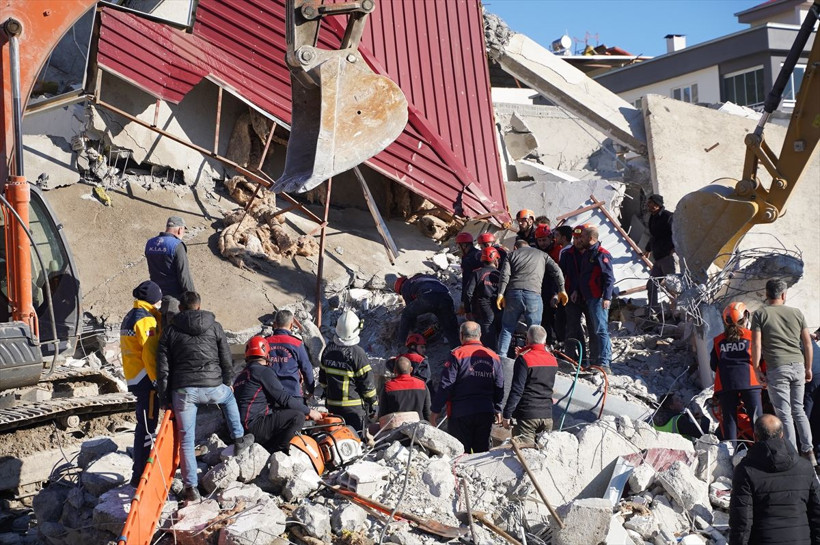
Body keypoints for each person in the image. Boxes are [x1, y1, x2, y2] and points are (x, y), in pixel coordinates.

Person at [156, 291, 253, 503]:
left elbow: (163, 369)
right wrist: (227, 381)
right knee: (228, 398)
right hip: (213, 386)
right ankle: (238, 438)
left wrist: (164, 399)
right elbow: (226, 358)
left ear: (180, 309)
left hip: (183, 392)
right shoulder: (214, 326)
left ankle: (191, 488)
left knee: (187, 440)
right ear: (199, 307)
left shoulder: (169, 331)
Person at [729, 414, 820, 545]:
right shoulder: (805, 467)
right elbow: (817, 512)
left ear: (755, 437)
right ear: (782, 434)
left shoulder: (745, 470)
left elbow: (742, 521)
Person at [751, 279, 815, 464]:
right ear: (784, 295)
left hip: (777, 368)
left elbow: (756, 343)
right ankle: (808, 451)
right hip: (798, 366)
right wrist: (808, 367)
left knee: (784, 413)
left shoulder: (760, 314)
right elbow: (807, 343)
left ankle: (792, 455)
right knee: (799, 410)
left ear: (766, 293)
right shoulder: (796, 313)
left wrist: (756, 368)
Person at [234, 337, 323, 453]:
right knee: (298, 417)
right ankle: (278, 451)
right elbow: (284, 399)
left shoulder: (241, 376)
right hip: (254, 427)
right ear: (266, 353)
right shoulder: (263, 372)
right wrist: (309, 411)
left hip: (240, 429)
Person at [430, 321, 504, 453]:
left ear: (461, 335)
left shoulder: (457, 354)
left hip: (460, 413)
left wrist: (435, 410)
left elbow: (446, 385)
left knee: (459, 453)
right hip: (485, 412)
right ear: (480, 335)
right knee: (481, 453)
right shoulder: (493, 356)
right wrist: (498, 408)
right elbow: (499, 385)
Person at [120, 280, 163, 488]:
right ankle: (140, 475)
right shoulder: (145, 319)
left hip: (135, 375)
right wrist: (158, 381)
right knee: (147, 426)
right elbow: (150, 353)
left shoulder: (132, 314)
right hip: (146, 378)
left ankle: (139, 472)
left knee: (144, 424)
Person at [496, 240, 567, 360]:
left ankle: (501, 358)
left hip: (513, 294)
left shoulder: (512, 255)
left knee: (507, 328)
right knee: (534, 331)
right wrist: (562, 289)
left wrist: (501, 293)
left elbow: (504, 275)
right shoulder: (542, 254)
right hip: (533, 295)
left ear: (515, 247)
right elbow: (557, 271)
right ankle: (533, 359)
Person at [710, 302, 762, 444]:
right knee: (757, 418)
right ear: (745, 316)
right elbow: (762, 360)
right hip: (750, 381)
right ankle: (761, 449)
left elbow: (713, 365)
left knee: (729, 419)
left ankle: (730, 452)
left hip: (726, 384)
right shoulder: (752, 336)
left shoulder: (718, 340)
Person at [319, 309, 379, 433]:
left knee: (335, 439)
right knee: (354, 442)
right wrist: (373, 404)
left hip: (332, 406)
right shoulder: (357, 353)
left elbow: (323, 380)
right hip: (353, 409)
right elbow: (367, 385)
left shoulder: (328, 350)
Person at [502, 325, 558, 442]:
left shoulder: (524, 359)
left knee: (523, 456)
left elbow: (517, 390)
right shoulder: (553, 360)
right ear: (545, 341)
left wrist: (507, 414)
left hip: (527, 416)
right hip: (547, 415)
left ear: (527, 340)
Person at [145, 216, 195, 326]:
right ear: (180, 229)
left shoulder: (150, 244)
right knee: (173, 336)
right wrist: (193, 299)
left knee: (158, 335)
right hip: (173, 300)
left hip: (155, 298)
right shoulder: (177, 245)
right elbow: (184, 276)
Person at [578, 225, 615, 373]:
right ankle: (597, 361)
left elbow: (609, 278)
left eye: (583, 237)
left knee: (601, 330)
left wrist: (606, 297)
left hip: (598, 298)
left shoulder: (601, 254)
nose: (581, 240)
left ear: (591, 238)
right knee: (595, 330)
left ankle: (605, 363)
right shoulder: (588, 253)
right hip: (589, 297)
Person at [394, 273, 460, 350]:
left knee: (406, 313)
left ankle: (401, 344)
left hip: (428, 297)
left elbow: (411, 312)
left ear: (400, 288)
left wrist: (412, 329)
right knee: (449, 328)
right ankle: (457, 352)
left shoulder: (406, 286)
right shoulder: (424, 278)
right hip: (446, 297)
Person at [265, 309, 315, 401]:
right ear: (291, 325)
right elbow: (306, 368)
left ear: (274, 324)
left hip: (269, 394)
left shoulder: (265, 342)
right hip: (292, 394)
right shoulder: (296, 343)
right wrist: (311, 389)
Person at [560, 224, 591, 364]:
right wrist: (559, 292)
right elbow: (561, 274)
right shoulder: (567, 254)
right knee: (571, 328)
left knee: (594, 330)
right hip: (572, 297)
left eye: (580, 238)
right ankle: (570, 359)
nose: (578, 241)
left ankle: (593, 360)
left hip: (590, 297)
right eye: (575, 238)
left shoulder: (593, 253)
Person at [463, 246, 502, 351]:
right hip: (500, 310)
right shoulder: (500, 274)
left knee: (488, 341)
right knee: (500, 339)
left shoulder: (477, 273)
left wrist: (468, 310)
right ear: (495, 259)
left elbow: (468, 293)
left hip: (482, 311)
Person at [645, 194, 676, 313]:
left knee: (672, 286)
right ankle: (653, 310)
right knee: (651, 284)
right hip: (658, 257)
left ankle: (677, 310)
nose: (649, 206)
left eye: (651, 203)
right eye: (648, 203)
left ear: (658, 205)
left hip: (667, 257)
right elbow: (654, 236)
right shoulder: (653, 218)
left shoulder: (668, 217)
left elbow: (676, 233)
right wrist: (648, 249)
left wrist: (674, 248)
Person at [379, 356, 431, 422]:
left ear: (394, 371)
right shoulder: (422, 385)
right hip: (418, 426)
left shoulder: (388, 387)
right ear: (411, 369)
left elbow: (382, 414)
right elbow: (428, 413)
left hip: (395, 428)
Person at [534, 224, 560, 346]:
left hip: (556, 289)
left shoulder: (558, 251)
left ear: (550, 238)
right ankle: (549, 343)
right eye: (539, 240)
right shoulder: (537, 252)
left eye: (544, 240)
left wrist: (556, 293)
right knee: (545, 318)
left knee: (559, 320)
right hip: (542, 289)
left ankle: (561, 343)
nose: (542, 243)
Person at [455, 232, 482, 312]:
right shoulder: (480, 253)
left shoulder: (467, 259)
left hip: (475, 292)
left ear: (464, 245)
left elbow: (466, 281)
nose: (458, 248)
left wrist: (463, 302)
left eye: (459, 246)